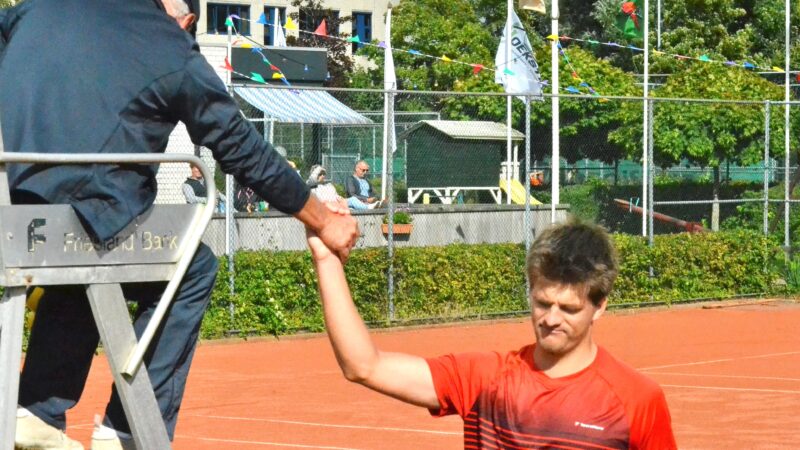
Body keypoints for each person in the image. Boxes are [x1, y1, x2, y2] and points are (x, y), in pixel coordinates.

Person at [0, 1, 359, 449]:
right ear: (185, 18)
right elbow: (239, 147)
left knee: (86, 258)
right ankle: (126, 429)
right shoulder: (167, 44)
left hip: (16, 212)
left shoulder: (41, 9)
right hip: (87, 219)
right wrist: (324, 220)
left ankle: (35, 410)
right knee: (191, 264)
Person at [307, 220, 677, 449]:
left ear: (600, 306)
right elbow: (363, 365)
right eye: (542, 302)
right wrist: (326, 260)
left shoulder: (637, 400)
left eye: (569, 309)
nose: (550, 319)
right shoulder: (485, 379)